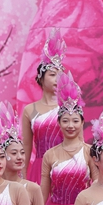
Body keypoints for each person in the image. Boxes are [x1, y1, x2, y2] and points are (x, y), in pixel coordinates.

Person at [40, 71, 98, 205]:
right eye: (65, 121)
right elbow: (43, 193)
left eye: (75, 120)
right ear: (58, 123)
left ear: (82, 122)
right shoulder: (50, 155)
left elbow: (97, 186)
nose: (70, 125)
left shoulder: (89, 152)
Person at [21, 28, 64, 184]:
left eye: (60, 74)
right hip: (39, 168)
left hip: (65, 166)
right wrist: (22, 175)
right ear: (41, 78)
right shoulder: (30, 110)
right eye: (52, 74)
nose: (57, 78)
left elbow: (79, 142)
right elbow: (26, 146)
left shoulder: (67, 108)